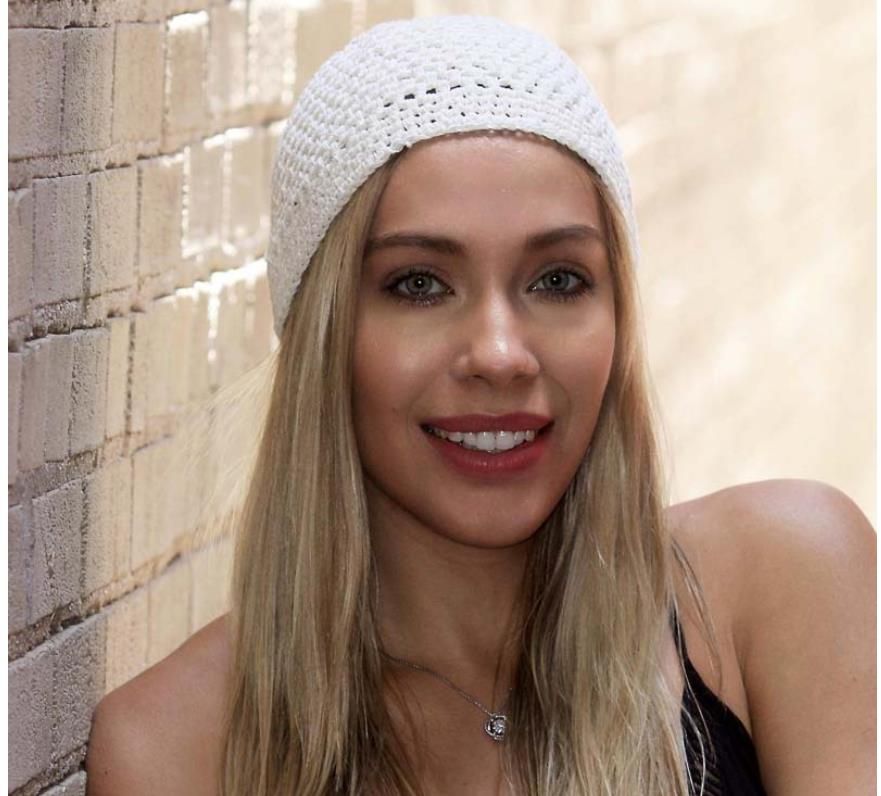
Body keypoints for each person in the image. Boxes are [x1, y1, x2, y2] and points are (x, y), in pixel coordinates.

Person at [86, 15, 875, 796]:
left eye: (557, 280)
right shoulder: (174, 751)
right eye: (418, 284)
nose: (500, 354)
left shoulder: (786, 581)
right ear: (321, 332)